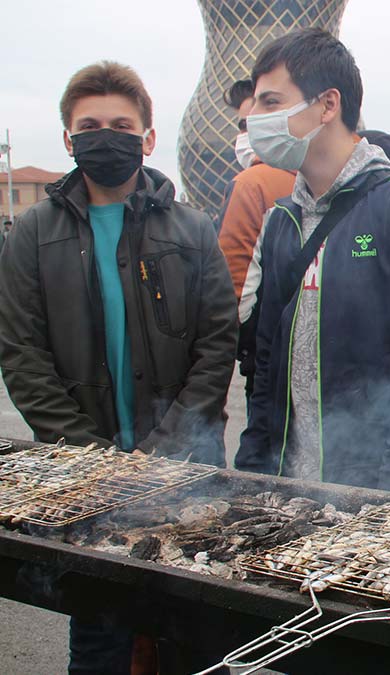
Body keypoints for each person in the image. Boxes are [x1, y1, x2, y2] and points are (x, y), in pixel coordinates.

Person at [0, 60, 238, 674]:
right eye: (91, 125)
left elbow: (217, 344)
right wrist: (88, 456)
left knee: (193, 636)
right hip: (81, 478)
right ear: (68, 139)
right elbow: (21, 352)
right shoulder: (31, 233)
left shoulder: (192, 229)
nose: (106, 136)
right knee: (100, 640)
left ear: (148, 138)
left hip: (186, 473)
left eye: (121, 124)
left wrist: (167, 450)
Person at [235, 28, 390, 499]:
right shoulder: (281, 220)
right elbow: (265, 364)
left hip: (377, 487)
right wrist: (253, 471)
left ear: (327, 105)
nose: (253, 119)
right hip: (291, 484)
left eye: (270, 102)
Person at [217, 78, 297, 406]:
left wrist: (248, 346)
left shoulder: (252, 184)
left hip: (268, 362)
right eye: (241, 124)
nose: (244, 134)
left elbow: (234, 295)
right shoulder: (319, 175)